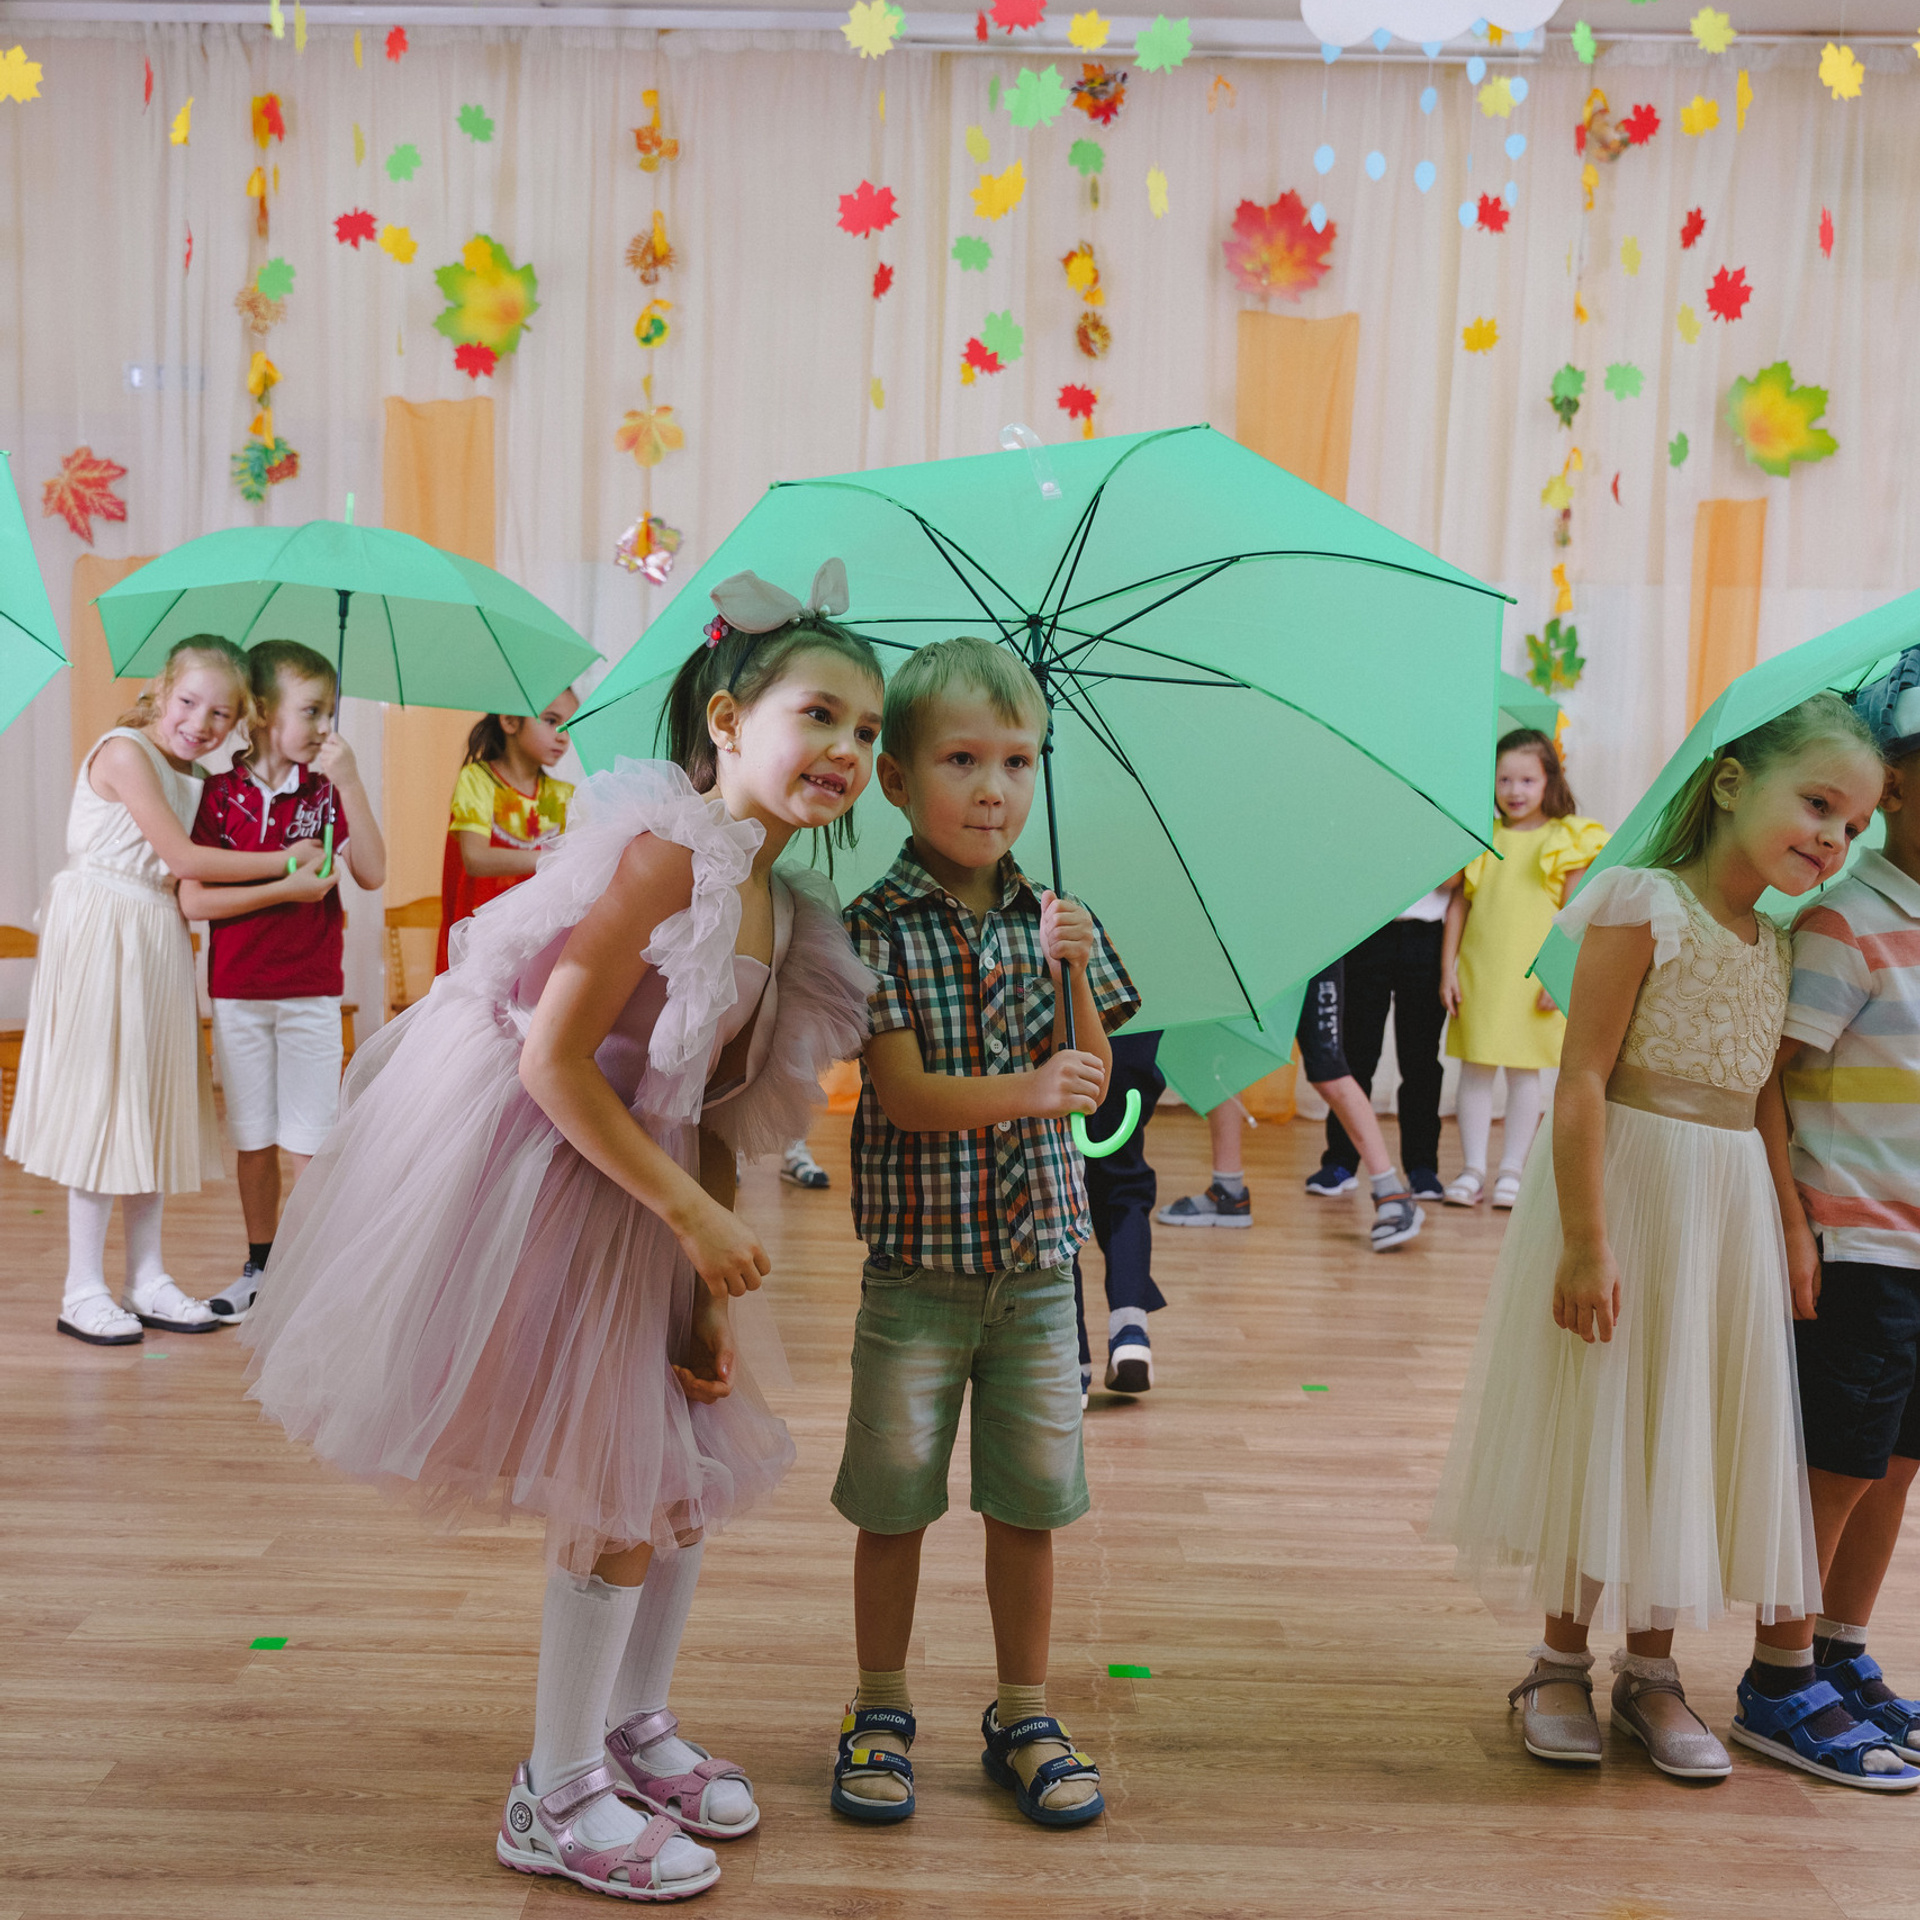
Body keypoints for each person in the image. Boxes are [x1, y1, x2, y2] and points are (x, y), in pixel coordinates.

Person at [241, 562, 883, 1901]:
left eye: (870, 733)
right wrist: (687, 1211)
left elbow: (708, 1094)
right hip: (555, 1173)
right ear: (725, 720)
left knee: (678, 1466)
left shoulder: (783, 899)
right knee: (616, 1491)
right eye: (821, 714)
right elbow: (552, 1058)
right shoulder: (668, 857)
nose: (848, 750)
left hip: (651, 1189)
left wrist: (705, 1281)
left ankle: (630, 1727)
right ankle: (555, 1788)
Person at [1431, 695, 1914, 1788]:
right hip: (1631, 1191)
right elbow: (1585, 1076)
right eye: (1817, 804)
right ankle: (1559, 1661)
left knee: (1684, 1426)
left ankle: (1653, 1673)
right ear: (1735, 782)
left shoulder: (1784, 941)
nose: (1833, 838)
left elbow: (1763, 1102)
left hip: (1729, 1208)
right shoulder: (1640, 902)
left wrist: (1791, 1227)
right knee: (1602, 1417)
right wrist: (1587, 1240)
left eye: (1854, 822)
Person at [830, 635, 1135, 1831]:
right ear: (897, 779)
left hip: (1042, 1271)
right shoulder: (878, 927)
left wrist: (1071, 984)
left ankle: (1021, 1705)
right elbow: (906, 1098)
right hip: (918, 1274)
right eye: (962, 758)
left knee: (1033, 1500)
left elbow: (1096, 1080)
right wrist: (1030, 1087)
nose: (994, 787)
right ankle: (878, 1703)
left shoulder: (1061, 920)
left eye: (1019, 759)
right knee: (894, 1500)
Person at [5, 636, 335, 1345]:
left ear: (237, 721)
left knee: (150, 1100)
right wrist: (286, 864)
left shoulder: (198, 774)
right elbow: (181, 857)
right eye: (189, 702)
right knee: (103, 1101)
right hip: (103, 926)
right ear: (161, 689)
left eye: (221, 714)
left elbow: (183, 881)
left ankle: (145, 1277)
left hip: (154, 932)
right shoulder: (125, 751)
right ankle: (81, 1286)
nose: (200, 723)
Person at [1745, 652, 1920, 1783]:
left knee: (1901, 1456)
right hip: (1857, 1239)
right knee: (1840, 1462)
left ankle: (1844, 1646)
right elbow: (1772, 1074)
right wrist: (1796, 1225)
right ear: (1896, 788)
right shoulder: (1843, 920)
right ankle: (1778, 1671)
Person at [180, 641, 387, 1322]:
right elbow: (196, 900)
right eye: (312, 711)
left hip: (310, 994)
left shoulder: (326, 790)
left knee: (312, 1141)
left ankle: (319, 1273)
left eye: (330, 711)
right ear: (263, 712)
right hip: (238, 993)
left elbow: (373, 874)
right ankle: (261, 1269)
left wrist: (351, 780)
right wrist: (285, 885)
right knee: (253, 1140)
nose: (325, 725)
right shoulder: (215, 794)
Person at [1441, 729, 1607, 1209]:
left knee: (1523, 1073)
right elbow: (1458, 905)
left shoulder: (1567, 839)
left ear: (1549, 781)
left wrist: (1559, 974)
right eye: (1504, 780)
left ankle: (1511, 1170)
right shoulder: (1483, 837)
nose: (1514, 791)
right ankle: (1473, 1169)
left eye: (1526, 780)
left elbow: (1575, 918)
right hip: (1480, 968)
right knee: (1473, 1068)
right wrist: (1447, 969)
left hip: (1532, 974)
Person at [1158, 961, 1425, 1252]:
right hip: (1245, 952)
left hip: (1310, 954)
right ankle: (1227, 1192)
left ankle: (1392, 1194)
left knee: (1329, 1071)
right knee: (1222, 1054)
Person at [1313, 883, 1455, 1203]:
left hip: (1426, 934)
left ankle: (1422, 1167)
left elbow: (1454, 882)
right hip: (1367, 930)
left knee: (1420, 1060)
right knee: (1355, 1053)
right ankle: (1340, 1161)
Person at [435, 690, 580, 974]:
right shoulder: (478, 781)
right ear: (510, 721)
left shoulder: (565, 795)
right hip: (479, 937)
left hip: (538, 937)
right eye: (551, 721)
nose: (563, 736)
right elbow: (476, 858)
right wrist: (546, 859)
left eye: (568, 725)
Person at [1074, 1029, 1166, 1401]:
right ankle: (1131, 1331)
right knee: (1124, 1183)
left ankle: (1071, 1359)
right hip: (1129, 1039)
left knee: (1055, 1193)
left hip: (1051, 1042)